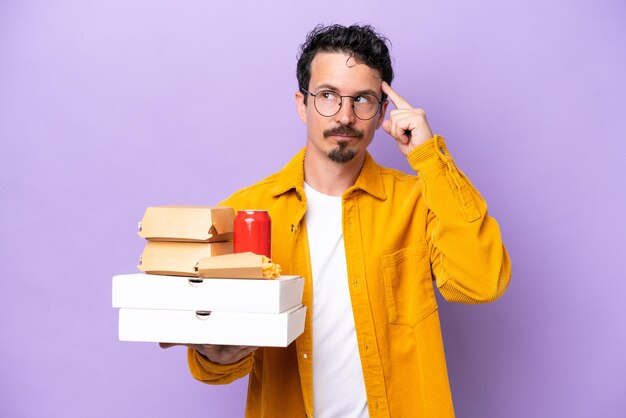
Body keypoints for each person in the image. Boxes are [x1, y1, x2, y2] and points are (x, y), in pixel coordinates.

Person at [162, 23, 511, 417]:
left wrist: (429, 157)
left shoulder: (418, 201)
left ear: (382, 112)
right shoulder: (245, 213)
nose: (344, 116)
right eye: (328, 95)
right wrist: (217, 352)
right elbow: (212, 368)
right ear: (302, 103)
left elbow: (482, 282)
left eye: (362, 100)